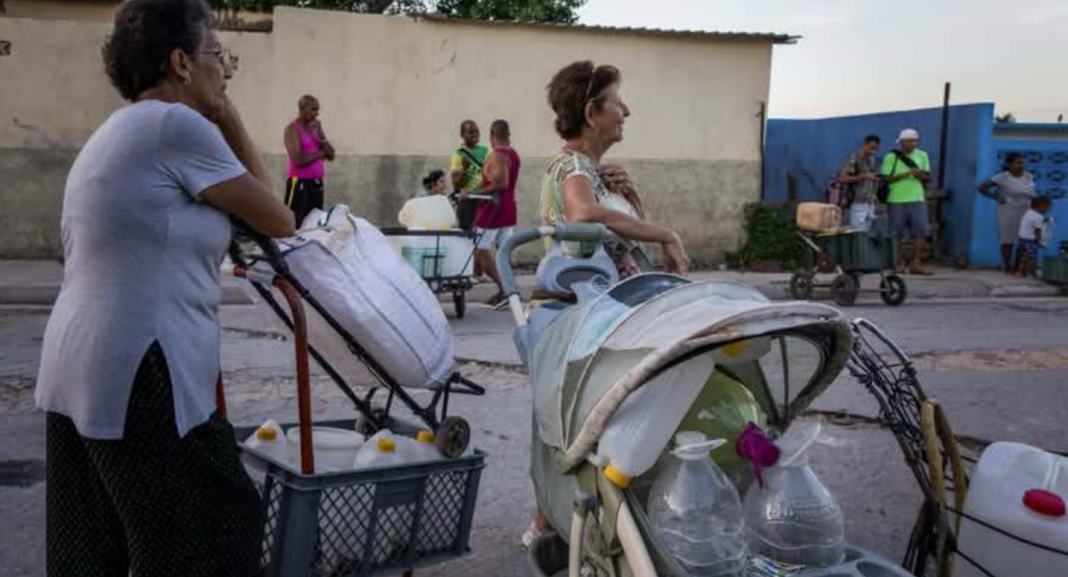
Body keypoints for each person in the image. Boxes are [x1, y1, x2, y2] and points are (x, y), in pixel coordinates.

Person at [34, 1, 295, 575]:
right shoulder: (175, 126)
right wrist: (228, 115)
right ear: (181, 63)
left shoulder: (120, 129)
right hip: (140, 369)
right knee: (216, 530)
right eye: (217, 55)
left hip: (76, 363)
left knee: (96, 551)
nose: (224, 70)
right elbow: (277, 215)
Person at [522, 60, 690, 549]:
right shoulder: (572, 167)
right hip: (579, 315)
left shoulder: (594, 173)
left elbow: (614, 236)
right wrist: (666, 233)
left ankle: (553, 524)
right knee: (582, 424)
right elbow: (581, 215)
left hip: (606, 313)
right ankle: (552, 523)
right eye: (618, 103)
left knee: (583, 423)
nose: (627, 111)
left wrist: (633, 200)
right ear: (593, 112)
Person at [460, 119, 520, 304]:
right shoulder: (513, 154)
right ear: (507, 135)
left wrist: (470, 193)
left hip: (492, 211)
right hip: (507, 209)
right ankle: (510, 292)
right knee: (503, 252)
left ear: (493, 135)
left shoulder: (498, 155)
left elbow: (500, 184)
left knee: (480, 252)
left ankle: (506, 292)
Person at [881, 128, 933, 275]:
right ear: (902, 142)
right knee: (897, 233)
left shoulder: (922, 155)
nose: (913, 144)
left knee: (920, 232)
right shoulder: (891, 157)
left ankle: (916, 264)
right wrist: (906, 174)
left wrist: (919, 175)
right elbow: (885, 178)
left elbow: (928, 176)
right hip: (896, 199)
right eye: (910, 141)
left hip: (917, 198)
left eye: (915, 141)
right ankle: (899, 263)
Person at [977, 152, 1037, 273]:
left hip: (1025, 211)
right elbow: (981, 187)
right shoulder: (1002, 177)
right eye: (1018, 162)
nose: (1021, 165)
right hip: (1008, 211)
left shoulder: (1028, 176)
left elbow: (1033, 192)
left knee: (1023, 239)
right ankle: (1007, 266)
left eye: (1022, 162)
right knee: (1007, 240)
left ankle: (1018, 266)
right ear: (1009, 164)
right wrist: (995, 197)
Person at [284, 94, 335, 226]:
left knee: (314, 222)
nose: (316, 114)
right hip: (299, 182)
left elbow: (331, 155)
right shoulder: (292, 129)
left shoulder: (316, 129)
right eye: (313, 109)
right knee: (295, 223)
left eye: (317, 110)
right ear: (302, 108)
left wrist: (321, 135)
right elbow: (298, 159)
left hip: (316, 183)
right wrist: (320, 153)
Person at [838, 135, 882, 231]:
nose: (873, 150)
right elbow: (842, 178)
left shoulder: (872, 159)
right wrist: (863, 176)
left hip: (870, 203)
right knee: (858, 233)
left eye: (876, 148)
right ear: (864, 145)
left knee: (867, 234)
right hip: (858, 202)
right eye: (871, 147)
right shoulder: (854, 159)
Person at [1016, 197, 1052, 277]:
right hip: (1031, 240)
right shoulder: (1038, 217)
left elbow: (1032, 222)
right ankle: (1030, 273)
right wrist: (1039, 241)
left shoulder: (1028, 213)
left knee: (1024, 257)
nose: (1047, 210)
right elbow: (1037, 230)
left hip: (1022, 239)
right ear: (1041, 206)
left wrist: (1044, 220)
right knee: (1031, 258)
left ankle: (1019, 272)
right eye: (1047, 207)